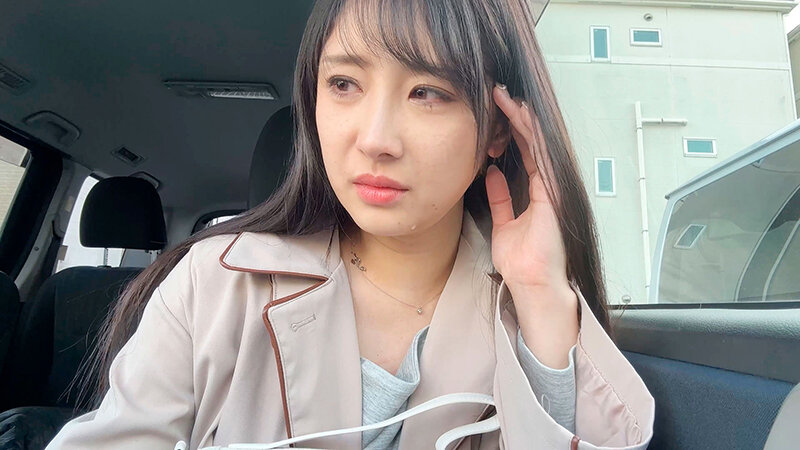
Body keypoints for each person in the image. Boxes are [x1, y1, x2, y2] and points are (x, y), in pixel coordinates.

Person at [47, 0, 655, 448]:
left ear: (498, 129)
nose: (375, 139)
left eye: (428, 92)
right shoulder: (212, 285)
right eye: (343, 84)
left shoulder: (525, 314)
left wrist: (541, 293)